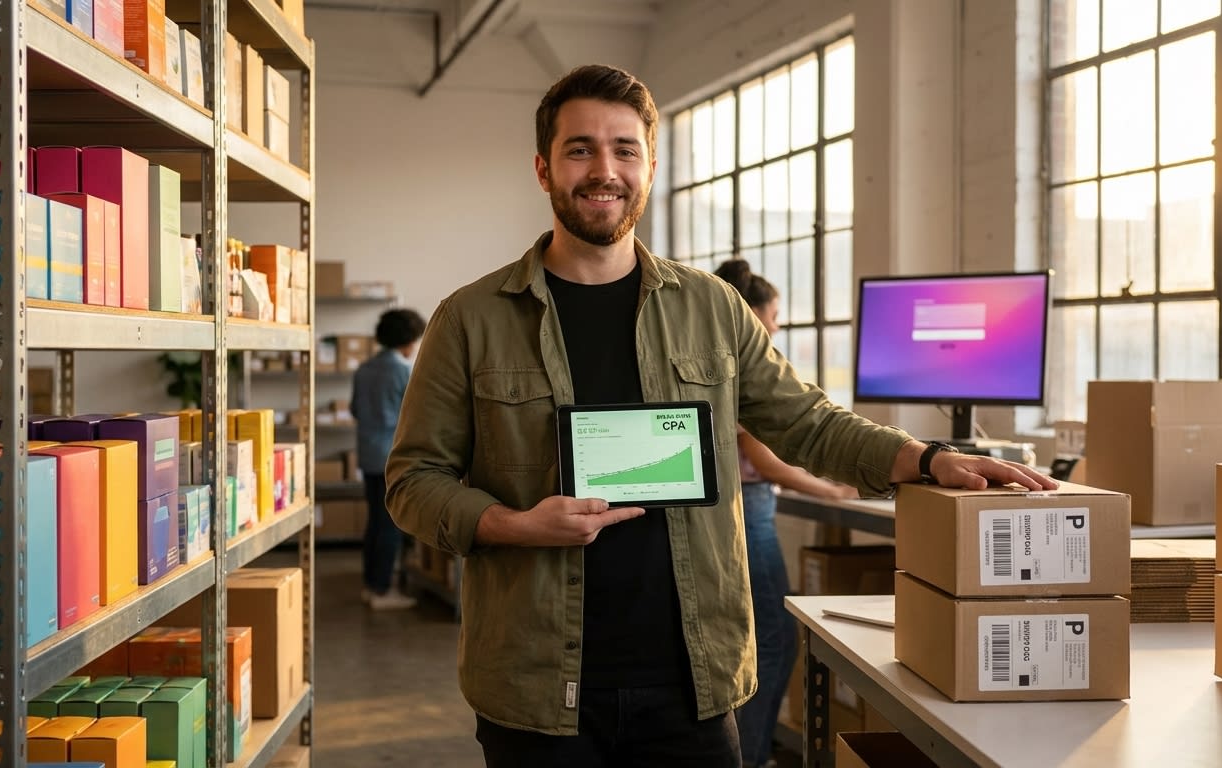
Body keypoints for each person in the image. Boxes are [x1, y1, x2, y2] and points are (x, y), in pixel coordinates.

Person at [385, 64, 1056, 767]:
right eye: (580, 148)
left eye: (624, 150)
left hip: (690, 681)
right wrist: (516, 525)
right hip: (535, 684)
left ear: (648, 166)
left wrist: (926, 458)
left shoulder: (711, 307)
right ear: (543, 168)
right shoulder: (471, 319)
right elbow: (413, 479)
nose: (603, 170)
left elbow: (809, 423)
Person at [714, 258, 856, 768]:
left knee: (756, 640)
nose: (776, 325)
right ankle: (750, 756)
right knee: (771, 640)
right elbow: (763, 458)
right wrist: (832, 492)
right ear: (752, 313)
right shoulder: (745, 357)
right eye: (773, 314)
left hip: (740, 509)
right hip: (748, 514)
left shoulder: (715, 346)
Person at [350, 307, 426, 610]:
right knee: (392, 526)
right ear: (408, 339)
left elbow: (355, 410)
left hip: (368, 455)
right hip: (393, 458)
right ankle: (382, 591)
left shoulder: (364, 369)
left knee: (375, 523)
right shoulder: (403, 371)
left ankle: (371, 585)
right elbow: (418, 415)